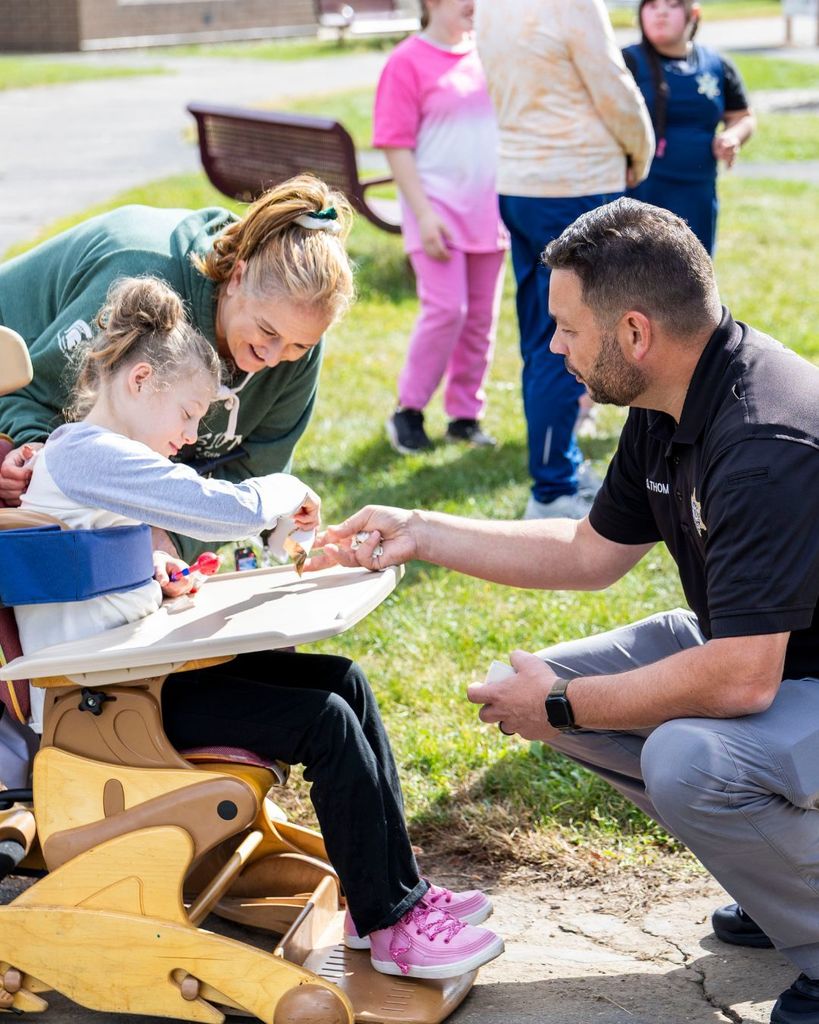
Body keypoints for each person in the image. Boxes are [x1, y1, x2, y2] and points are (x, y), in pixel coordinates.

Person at [313, 199, 819, 1024]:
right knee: (530, 691)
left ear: (632, 333)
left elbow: (739, 681)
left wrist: (559, 703)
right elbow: (588, 554)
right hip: (779, 661)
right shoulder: (674, 400)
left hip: (774, 670)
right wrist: (420, 531)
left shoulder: (763, 441)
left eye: (565, 329)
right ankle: (781, 878)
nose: (553, 347)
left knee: (687, 758)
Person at [13, 274, 504, 980]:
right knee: (323, 720)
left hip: (129, 679)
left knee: (343, 681)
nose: (187, 436)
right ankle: (395, 927)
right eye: (187, 414)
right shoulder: (86, 452)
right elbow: (216, 506)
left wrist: (152, 574)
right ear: (140, 381)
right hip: (103, 706)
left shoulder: (95, 463)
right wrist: (282, 494)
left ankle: (390, 900)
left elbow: (98, 562)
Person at [0, 174, 350, 567]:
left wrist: (170, 546)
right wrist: (32, 450)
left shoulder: (296, 347)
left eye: (298, 345)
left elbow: (252, 470)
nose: (273, 357)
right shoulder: (138, 283)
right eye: (266, 331)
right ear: (237, 277)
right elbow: (27, 393)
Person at [474, 0, 654, 520]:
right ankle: (553, 488)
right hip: (577, 180)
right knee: (580, 335)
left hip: (522, 181)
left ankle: (558, 471)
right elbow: (612, 84)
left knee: (544, 336)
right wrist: (640, 154)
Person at [373, 0, 508, 454]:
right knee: (447, 311)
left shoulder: (487, 52)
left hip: (489, 210)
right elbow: (395, 144)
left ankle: (464, 417)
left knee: (480, 320)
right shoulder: (406, 60)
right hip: (435, 210)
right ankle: (407, 412)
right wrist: (424, 213)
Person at [623, 0, 755, 255]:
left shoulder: (716, 65)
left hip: (697, 195)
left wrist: (731, 136)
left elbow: (743, 116)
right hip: (639, 195)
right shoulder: (626, 62)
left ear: (693, 14)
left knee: (691, 280)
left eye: (672, 5)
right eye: (651, 6)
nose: (660, 13)